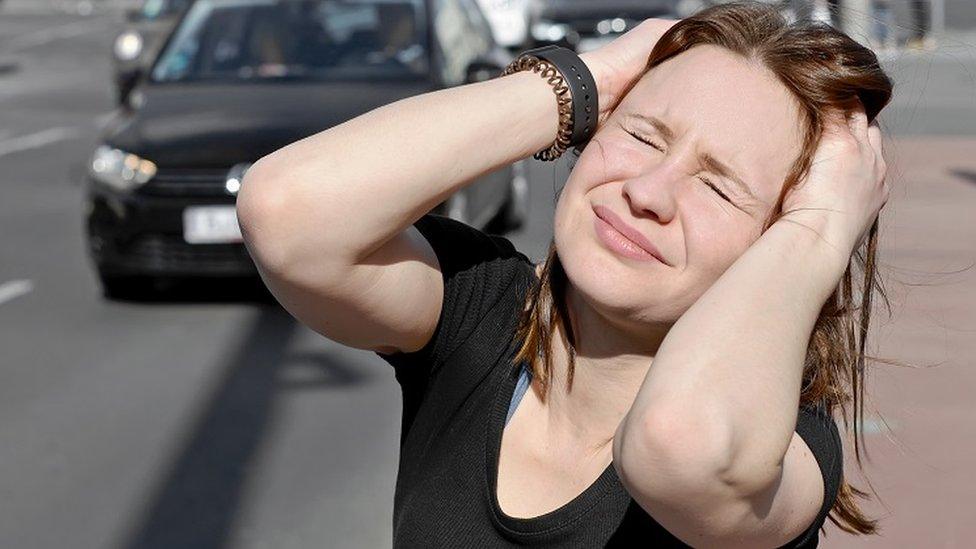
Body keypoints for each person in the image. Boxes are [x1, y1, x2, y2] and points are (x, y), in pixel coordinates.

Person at [237, 2, 892, 546]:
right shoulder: (483, 312)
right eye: (643, 136)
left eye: (719, 188)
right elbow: (287, 211)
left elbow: (677, 449)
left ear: (774, 247)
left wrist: (823, 226)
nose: (649, 191)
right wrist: (583, 81)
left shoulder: (776, 444)